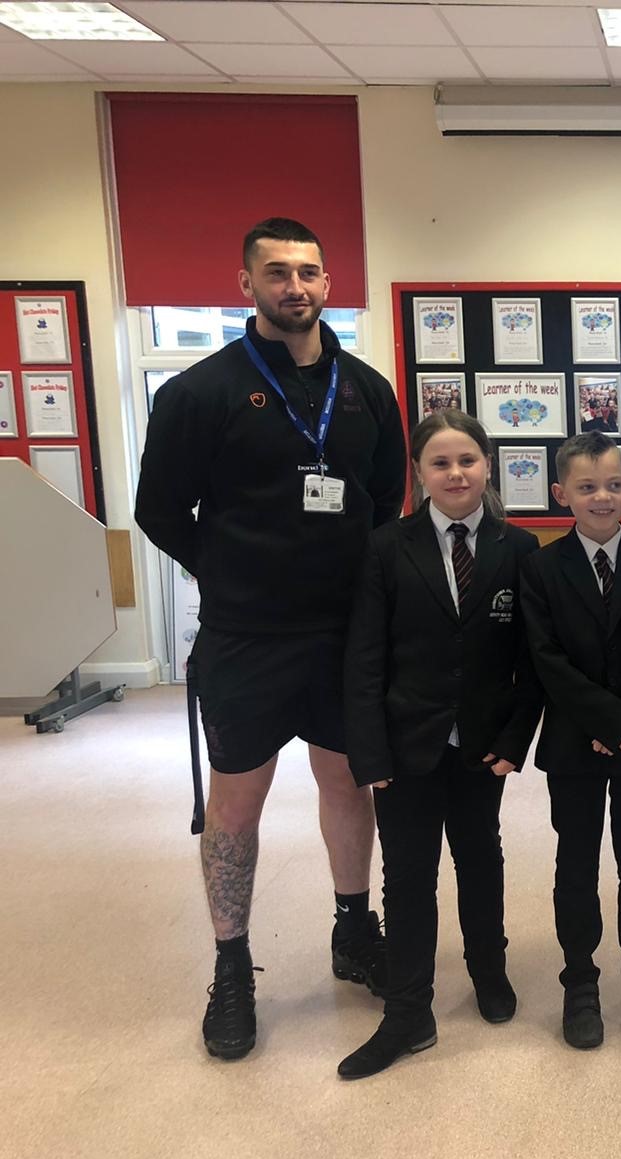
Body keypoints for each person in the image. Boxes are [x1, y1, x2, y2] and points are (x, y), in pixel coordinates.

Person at [135, 216, 407, 1061]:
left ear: (329, 283)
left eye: (310, 271)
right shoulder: (199, 392)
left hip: (345, 634)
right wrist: (227, 572)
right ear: (246, 284)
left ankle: (354, 930)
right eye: (279, 272)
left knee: (347, 784)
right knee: (237, 803)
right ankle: (230, 965)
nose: (297, 286)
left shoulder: (367, 390)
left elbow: (384, 500)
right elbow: (156, 510)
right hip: (247, 636)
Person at [336, 410, 540, 1080]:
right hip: (405, 745)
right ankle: (407, 1011)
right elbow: (365, 659)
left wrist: (515, 739)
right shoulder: (385, 548)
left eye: (467, 460)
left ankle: (489, 970)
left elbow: (533, 660)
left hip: (483, 744)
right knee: (408, 876)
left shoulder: (519, 549)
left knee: (481, 858)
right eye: (440, 463)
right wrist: (369, 754)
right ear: (419, 473)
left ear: (488, 466)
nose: (456, 474)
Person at [522, 432, 621, 1050]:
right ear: (561, 493)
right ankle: (580, 981)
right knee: (577, 863)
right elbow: (545, 657)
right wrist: (604, 722)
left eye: (614, 485)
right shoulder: (541, 568)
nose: (602, 497)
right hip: (574, 741)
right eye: (587, 486)